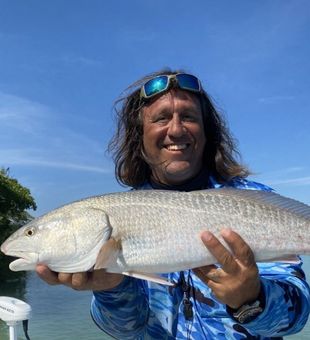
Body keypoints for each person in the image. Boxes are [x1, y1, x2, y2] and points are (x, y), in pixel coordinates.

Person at [37, 69, 310, 339]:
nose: (176, 129)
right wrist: (111, 287)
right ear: (139, 136)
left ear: (206, 132)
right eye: (161, 118)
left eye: (189, 117)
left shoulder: (253, 198)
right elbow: (126, 330)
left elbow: (296, 317)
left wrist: (251, 300)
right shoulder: (122, 211)